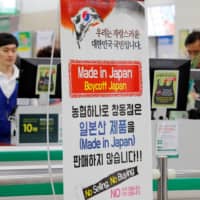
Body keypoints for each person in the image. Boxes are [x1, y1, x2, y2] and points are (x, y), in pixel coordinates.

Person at [0, 32, 19, 144]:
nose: (10, 54)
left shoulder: (24, 77)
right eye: (6, 50)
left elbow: (33, 110)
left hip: (18, 142)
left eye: (13, 50)